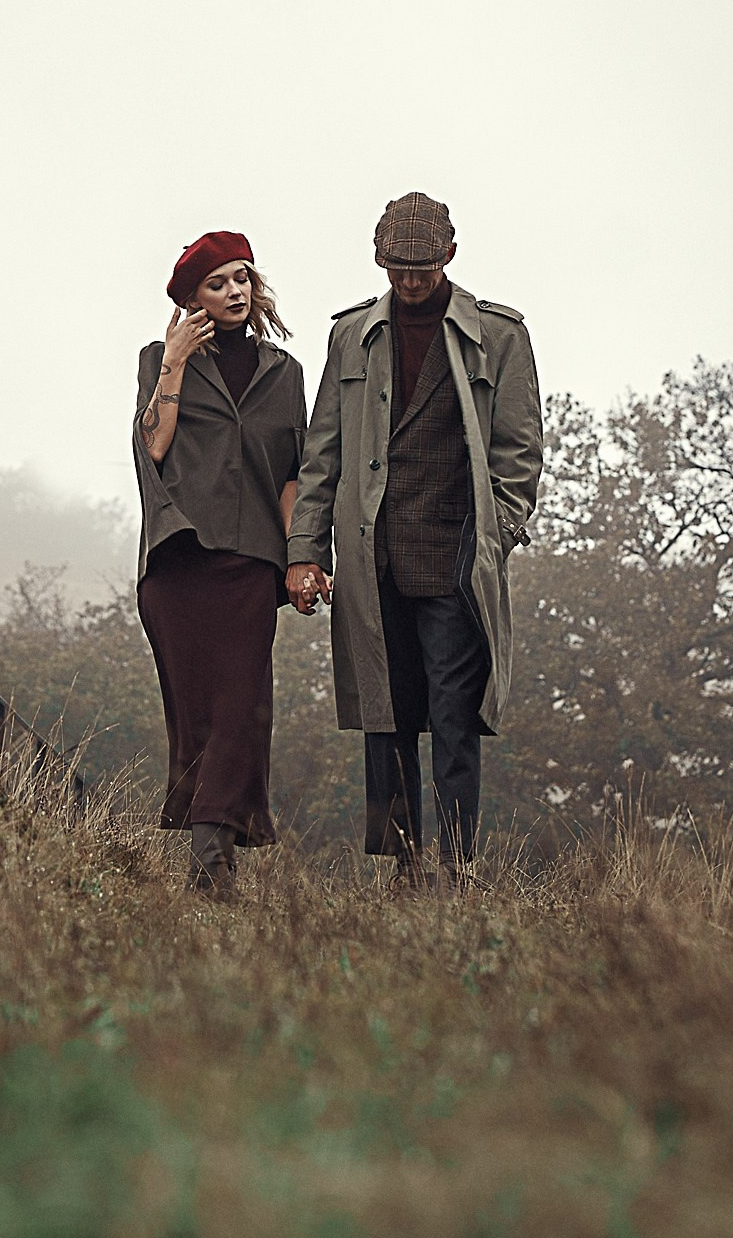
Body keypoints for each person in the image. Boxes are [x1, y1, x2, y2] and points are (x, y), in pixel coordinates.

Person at [284, 194, 542, 878]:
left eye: (422, 266)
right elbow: (323, 457)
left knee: (455, 722)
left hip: (457, 561)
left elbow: (520, 454)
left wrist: (496, 539)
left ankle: (459, 869)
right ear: (380, 260)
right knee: (386, 717)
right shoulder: (351, 335)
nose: (409, 279)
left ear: (449, 257)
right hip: (374, 561)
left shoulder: (502, 336)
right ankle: (402, 867)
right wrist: (306, 550)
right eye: (397, 266)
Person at [132, 230, 316, 892]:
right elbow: (151, 448)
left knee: (242, 708)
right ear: (192, 299)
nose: (235, 291)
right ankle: (215, 852)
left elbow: (295, 475)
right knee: (197, 714)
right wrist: (175, 363)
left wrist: (303, 558)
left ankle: (210, 866)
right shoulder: (158, 358)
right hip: (178, 563)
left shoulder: (285, 373)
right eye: (219, 283)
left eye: (242, 278)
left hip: (250, 565)